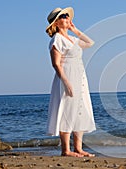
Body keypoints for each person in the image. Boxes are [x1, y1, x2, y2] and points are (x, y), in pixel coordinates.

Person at [45, 7, 96, 157]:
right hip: (66, 77)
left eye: (67, 16)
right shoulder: (57, 39)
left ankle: (78, 148)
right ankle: (66, 150)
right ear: (56, 23)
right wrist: (66, 83)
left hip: (80, 77)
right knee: (67, 110)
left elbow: (90, 43)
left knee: (80, 110)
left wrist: (75, 30)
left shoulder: (72, 39)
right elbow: (56, 64)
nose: (66, 18)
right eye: (62, 17)